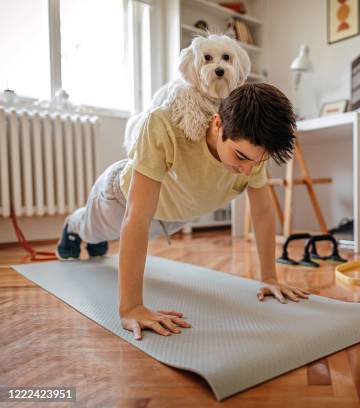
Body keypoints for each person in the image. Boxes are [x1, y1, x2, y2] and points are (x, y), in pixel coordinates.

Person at [56, 83, 309, 340]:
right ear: (217, 123)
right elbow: (137, 216)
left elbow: (263, 212)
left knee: (104, 240)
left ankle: (96, 242)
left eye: (258, 162)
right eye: (241, 157)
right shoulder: (163, 125)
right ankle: (73, 226)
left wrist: (269, 277)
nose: (248, 171)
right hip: (120, 200)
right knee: (92, 229)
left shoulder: (252, 157)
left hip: (172, 216)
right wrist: (131, 307)